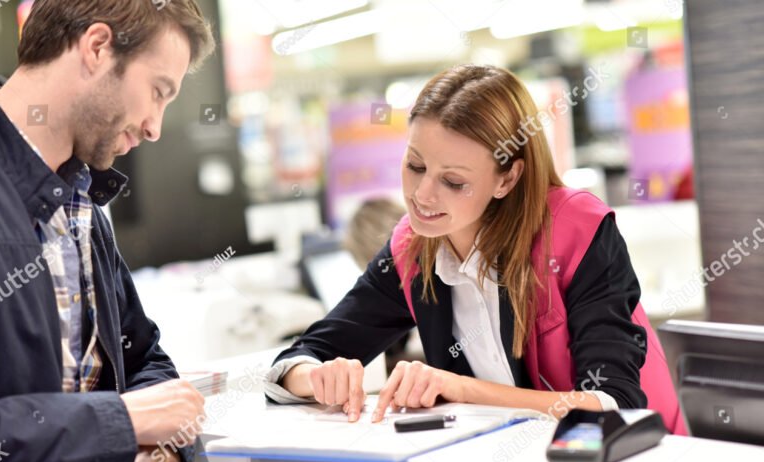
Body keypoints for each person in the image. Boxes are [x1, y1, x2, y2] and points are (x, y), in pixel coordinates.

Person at [264, 64, 680, 432]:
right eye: (415, 166)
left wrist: (460, 389)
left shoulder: (578, 230)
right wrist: (317, 375)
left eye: (453, 182)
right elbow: (295, 361)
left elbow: (614, 404)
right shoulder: (412, 249)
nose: (422, 196)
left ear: (507, 179)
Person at [0, 0, 215, 462]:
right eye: (158, 91)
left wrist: (160, 455)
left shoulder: (80, 204)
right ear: (96, 47)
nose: (155, 125)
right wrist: (124, 423)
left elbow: (142, 358)